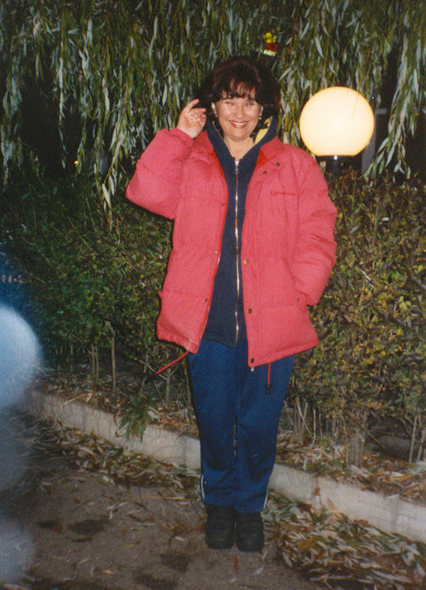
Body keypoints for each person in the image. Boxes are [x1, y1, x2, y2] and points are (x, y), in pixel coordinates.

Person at [126, 56, 337, 552]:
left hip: (273, 323)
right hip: (209, 322)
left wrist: (300, 292)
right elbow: (146, 191)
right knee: (216, 422)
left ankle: (250, 506)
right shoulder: (192, 158)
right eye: (228, 100)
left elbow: (318, 233)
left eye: (249, 101)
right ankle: (219, 503)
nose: (239, 112)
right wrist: (179, 136)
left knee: (259, 427)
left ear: (264, 108)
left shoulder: (295, 164)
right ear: (213, 106)